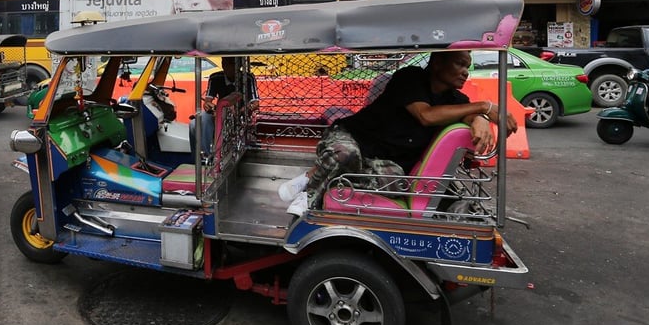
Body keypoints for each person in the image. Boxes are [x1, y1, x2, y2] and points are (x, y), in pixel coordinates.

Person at [278, 50, 518, 217]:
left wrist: (480, 118)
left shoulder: (457, 100)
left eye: (467, 66)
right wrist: (483, 108)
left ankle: (315, 175)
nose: (465, 72)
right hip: (354, 138)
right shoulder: (409, 78)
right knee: (346, 155)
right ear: (437, 63)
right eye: (459, 64)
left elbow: (465, 114)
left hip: (386, 161)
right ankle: (310, 195)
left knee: (396, 181)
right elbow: (426, 115)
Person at [190, 57, 260, 163]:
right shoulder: (216, 77)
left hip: (241, 114)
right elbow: (207, 101)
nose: (226, 66)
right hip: (218, 113)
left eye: (231, 63)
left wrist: (242, 110)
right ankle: (204, 157)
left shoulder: (248, 78)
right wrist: (210, 107)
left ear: (239, 66)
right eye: (224, 63)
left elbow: (255, 103)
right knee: (194, 124)